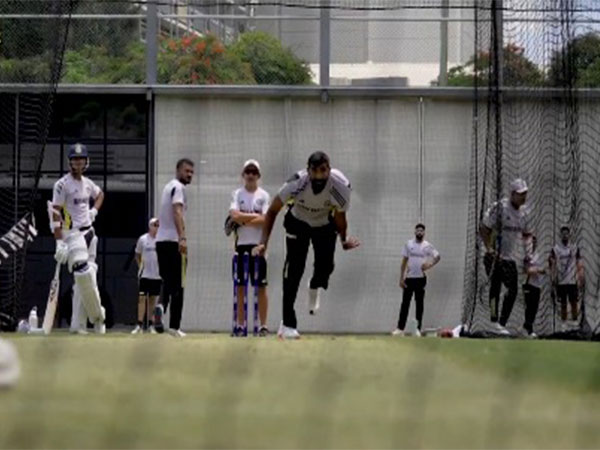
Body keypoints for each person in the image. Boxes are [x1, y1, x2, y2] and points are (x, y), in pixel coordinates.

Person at [254, 151, 360, 339]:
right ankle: (287, 324)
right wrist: (263, 244)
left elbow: (340, 217)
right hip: (298, 221)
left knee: (326, 267)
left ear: (329, 169)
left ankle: (315, 285)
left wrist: (344, 240)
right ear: (308, 170)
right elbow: (271, 212)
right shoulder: (296, 183)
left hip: (324, 224)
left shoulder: (341, 186)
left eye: (323, 170)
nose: (319, 175)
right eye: (315, 171)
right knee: (293, 271)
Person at [50, 143, 106, 334]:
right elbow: (55, 213)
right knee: (83, 274)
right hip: (72, 234)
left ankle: (78, 325)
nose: (78, 162)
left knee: (85, 280)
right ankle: (98, 316)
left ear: (86, 161)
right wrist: (59, 241)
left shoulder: (88, 184)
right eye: (75, 159)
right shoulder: (61, 185)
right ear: (70, 162)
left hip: (90, 232)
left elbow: (100, 195)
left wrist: (94, 211)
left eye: (81, 159)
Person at [480, 178, 532, 336]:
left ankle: (501, 323)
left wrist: (527, 255)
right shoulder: (500, 208)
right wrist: (489, 249)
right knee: (495, 286)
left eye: (525, 194)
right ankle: (493, 321)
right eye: (520, 194)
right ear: (512, 194)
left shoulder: (523, 213)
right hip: (493, 255)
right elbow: (484, 228)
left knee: (513, 290)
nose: (523, 197)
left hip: (508, 257)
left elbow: (526, 234)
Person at [229, 160, 270, 336]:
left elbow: (266, 219)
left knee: (260, 286)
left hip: (258, 246)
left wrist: (243, 218)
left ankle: (263, 325)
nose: (251, 175)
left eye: (254, 172)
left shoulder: (264, 195)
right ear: (243, 174)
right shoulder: (237, 194)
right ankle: (240, 325)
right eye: (248, 172)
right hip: (241, 246)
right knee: (240, 286)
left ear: (258, 175)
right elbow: (233, 215)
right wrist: (255, 217)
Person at [154, 158, 194, 337]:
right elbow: (177, 211)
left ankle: (161, 307)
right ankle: (174, 326)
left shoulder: (167, 187)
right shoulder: (179, 188)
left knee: (167, 281)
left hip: (160, 241)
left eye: (191, 172)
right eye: (187, 171)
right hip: (173, 242)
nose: (189, 175)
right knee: (179, 284)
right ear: (178, 170)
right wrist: (182, 238)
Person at [392, 223, 440, 337]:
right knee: (405, 304)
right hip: (409, 279)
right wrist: (401, 278)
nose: (419, 232)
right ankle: (400, 329)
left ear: (424, 233)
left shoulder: (427, 246)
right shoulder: (409, 244)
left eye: (421, 231)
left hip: (420, 279)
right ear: (414, 232)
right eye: (418, 230)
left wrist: (429, 265)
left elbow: (437, 256)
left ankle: (417, 329)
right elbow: (404, 261)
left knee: (419, 304)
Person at [549, 225, 584, 329]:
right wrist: (553, 276)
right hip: (561, 281)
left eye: (566, 234)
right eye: (563, 234)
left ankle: (574, 322)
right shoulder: (556, 248)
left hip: (572, 280)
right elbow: (551, 262)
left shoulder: (574, 248)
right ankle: (563, 323)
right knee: (563, 303)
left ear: (569, 235)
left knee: (574, 302)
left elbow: (579, 262)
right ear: (561, 235)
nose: (565, 236)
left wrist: (580, 275)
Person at [132, 217, 162, 334]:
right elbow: (137, 254)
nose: (157, 228)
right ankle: (139, 325)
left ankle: (150, 325)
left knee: (152, 300)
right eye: (155, 225)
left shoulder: (161, 240)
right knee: (142, 298)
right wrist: (141, 267)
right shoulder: (143, 239)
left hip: (156, 276)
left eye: (158, 226)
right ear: (150, 226)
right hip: (145, 276)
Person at [522, 235, 546, 338]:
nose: (533, 244)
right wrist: (539, 271)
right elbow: (526, 270)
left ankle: (528, 327)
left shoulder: (538, 254)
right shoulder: (527, 255)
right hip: (528, 284)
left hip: (537, 285)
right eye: (532, 242)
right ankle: (527, 329)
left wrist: (542, 271)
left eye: (535, 242)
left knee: (534, 308)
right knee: (529, 307)